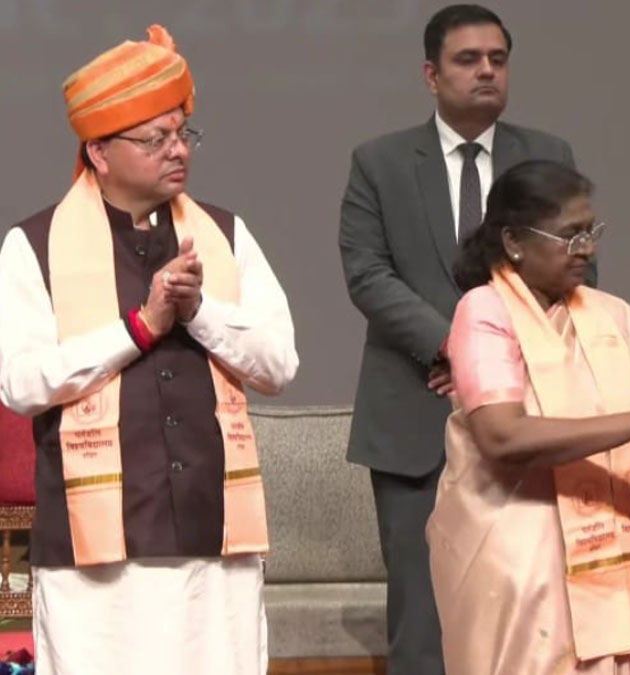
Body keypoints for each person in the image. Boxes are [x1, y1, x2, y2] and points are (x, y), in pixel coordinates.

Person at [0, 25, 298, 674]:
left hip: (212, 540)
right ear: (99, 151)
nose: (177, 151)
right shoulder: (33, 244)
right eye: (154, 138)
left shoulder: (224, 233)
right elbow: (21, 383)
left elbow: (279, 362)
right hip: (94, 555)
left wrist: (198, 311)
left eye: (182, 133)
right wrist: (140, 325)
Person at [337, 5, 578, 672]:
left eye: (498, 59)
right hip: (415, 414)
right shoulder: (379, 162)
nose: (486, 71)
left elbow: (576, 272)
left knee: (527, 613)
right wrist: (461, 350)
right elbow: (367, 274)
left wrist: (497, 363)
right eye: (468, 60)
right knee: (423, 621)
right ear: (430, 74)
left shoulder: (548, 157)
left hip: (528, 416)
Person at [428, 160, 630, 674]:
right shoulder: (485, 312)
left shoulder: (600, 312)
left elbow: (584, 408)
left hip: (598, 544)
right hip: (516, 548)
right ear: (515, 242)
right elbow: (503, 435)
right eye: (569, 236)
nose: (587, 249)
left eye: (591, 232)